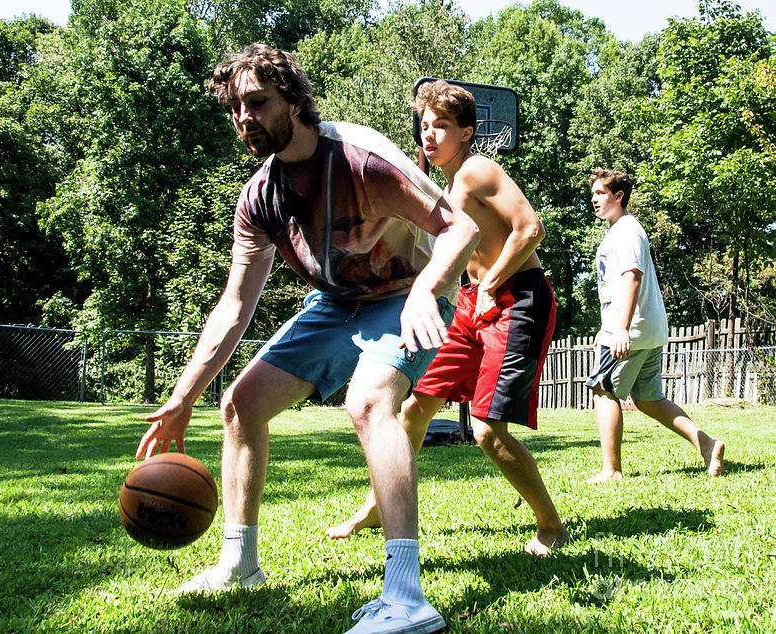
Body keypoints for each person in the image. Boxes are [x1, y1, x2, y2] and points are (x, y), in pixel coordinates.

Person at [135, 45, 480, 634]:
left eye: (257, 102)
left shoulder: (361, 158)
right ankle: (240, 564)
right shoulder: (259, 197)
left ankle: (406, 597)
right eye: (235, 107)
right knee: (241, 405)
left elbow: (459, 226)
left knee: (370, 400)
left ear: (293, 101)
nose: (244, 117)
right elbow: (235, 304)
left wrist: (428, 289)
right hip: (335, 303)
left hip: (407, 296)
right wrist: (182, 397)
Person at [327, 79, 569, 555]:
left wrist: (490, 285)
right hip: (471, 302)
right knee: (413, 408)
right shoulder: (446, 186)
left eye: (441, 127)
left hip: (517, 298)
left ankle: (551, 526)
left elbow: (529, 229)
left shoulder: (478, 170)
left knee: (485, 429)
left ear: (466, 132)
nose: (429, 135)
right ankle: (380, 505)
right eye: (424, 126)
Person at [584, 168, 725, 482]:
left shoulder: (626, 230)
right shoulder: (618, 231)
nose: (594, 199)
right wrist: (607, 326)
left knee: (602, 389)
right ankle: (707, 444)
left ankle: (611, 470)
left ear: (619, 196)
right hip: (644, 328)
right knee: (648, 398)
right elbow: (614, 287)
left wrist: (619, 329)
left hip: (631, 329)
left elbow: (632, 277)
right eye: (592, 193)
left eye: (600, 193)